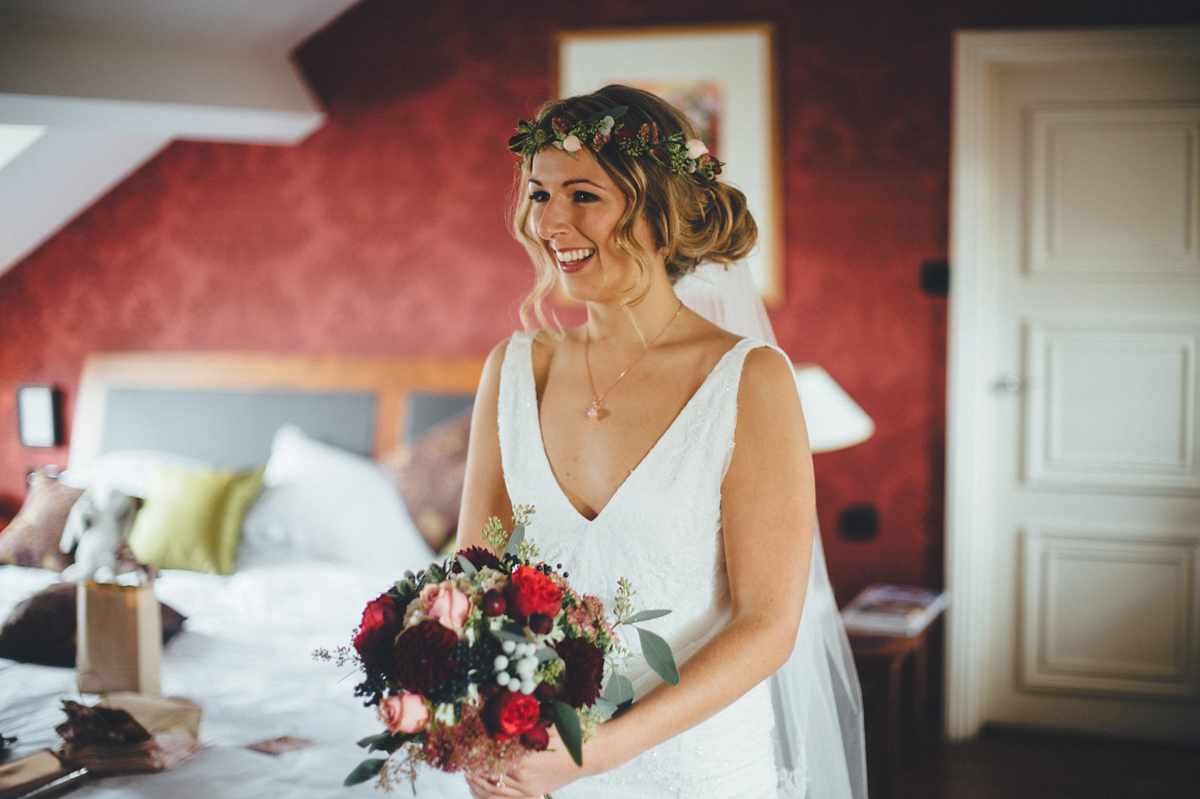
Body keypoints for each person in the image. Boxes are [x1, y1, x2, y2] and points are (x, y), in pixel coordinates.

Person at [458, 85, 866, 799]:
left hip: (693, 769)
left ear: (660, 213)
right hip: (540, 766)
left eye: (583, 194)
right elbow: (476, 579)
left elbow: (767, 624)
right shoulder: (513, 370)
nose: (551, 221)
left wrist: (597, 751)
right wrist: (484, 732)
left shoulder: (750, 380)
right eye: (539, 194)